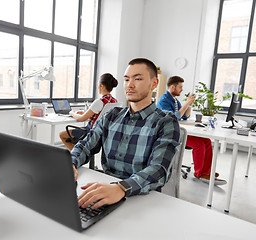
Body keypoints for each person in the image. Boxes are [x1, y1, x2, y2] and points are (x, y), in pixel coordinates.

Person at [71, 58, 180, 210]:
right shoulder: (111, 115)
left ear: (154, 84)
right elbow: (86, 145)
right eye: (126, 79)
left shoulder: (166, 121)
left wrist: (122, 188)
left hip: (142, 199)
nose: (130, 85)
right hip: (106, 190)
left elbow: (159, 169)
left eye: (138, 78)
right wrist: (71, 162)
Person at [156, 75, 227, 185]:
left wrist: (189, 105)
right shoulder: (163, 100)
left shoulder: (174, 100)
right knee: (199, 144)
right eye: (180, 87)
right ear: (172, 87)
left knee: (206, 141)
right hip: (170, 134)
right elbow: (174, 117)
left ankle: (206, 172)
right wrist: (186, 103)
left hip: (177, 130)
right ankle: (199, 173)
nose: (182, 90)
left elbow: (185, 116)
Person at [59, 73, 118, 150]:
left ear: (101, 86)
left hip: (90, 132)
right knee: (70, 138)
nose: (97, 87)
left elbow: (81, 119)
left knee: (62, 135)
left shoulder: (99, 102)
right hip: (102, 134)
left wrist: (72, 113)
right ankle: (80, 153)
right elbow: (100, 115)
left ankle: (77, 155)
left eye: (98, 84)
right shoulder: (114, 101)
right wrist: (85, 113)